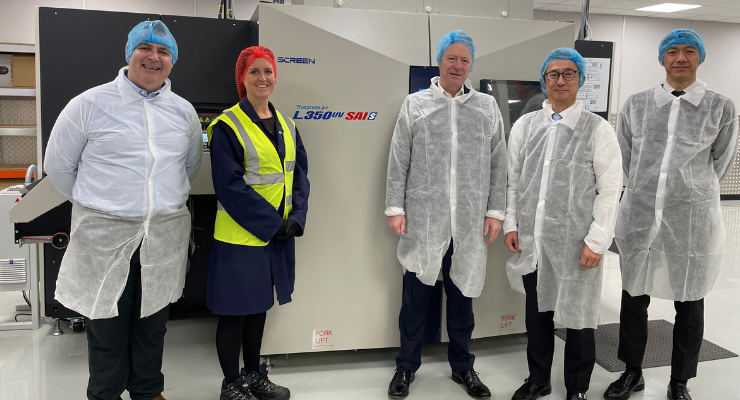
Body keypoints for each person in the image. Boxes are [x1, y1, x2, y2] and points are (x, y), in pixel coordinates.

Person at [44, 20, 202, 400]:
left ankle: (147, 391)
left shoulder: (183, 113)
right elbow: (59, 168)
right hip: (105, 240)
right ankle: (105, 394)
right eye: (145, 48)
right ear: (130, 53)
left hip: (163, 238)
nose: (153, 57)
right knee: (106, 326)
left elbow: (190, 167)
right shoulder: (88, 105)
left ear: (172, 60)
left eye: (163, 51)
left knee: (153, 323)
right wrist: (106, 206)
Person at [604, 29, 738, 400]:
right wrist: (648, 191)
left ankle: (680, 380)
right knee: (634, 297)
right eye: (673, 51)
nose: (680, 57)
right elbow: (627, 156)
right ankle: (632, 372)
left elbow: (721, 163)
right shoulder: (637, 104)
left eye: (689, 51)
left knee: (690, 301)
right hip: (641, 215)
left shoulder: (721, 107)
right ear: (662, 58)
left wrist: (689, 192)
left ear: (700, 57)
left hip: (691, 219)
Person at [385, 29, 507, 399]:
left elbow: (498, 162)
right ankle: (406, 366)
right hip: (424, 218)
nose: (458, 65)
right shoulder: (416, 104)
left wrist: (495, 211)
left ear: (471, 65)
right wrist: (395, 207)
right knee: (415, 299)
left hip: (469, 221)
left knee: (462, 298)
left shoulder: (486, 107)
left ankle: (463, 366)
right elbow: (399, 159)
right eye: (451, 58)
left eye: (464, 60)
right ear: (439, 61)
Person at [504, 48, 622, 400]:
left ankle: (577, 388)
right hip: (534, 240)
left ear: (580, 80)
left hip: (577, 242)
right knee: (537, 316)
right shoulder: (526, 126)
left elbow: (610, 189)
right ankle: (538, 379)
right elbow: (513, 180)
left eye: (569, 73)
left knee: (579, 319)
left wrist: (597, 241)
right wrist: (511, 224)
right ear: (544, 80)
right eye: (553, 74)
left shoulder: (598, 129)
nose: (560, 80)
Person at [206, 45, 309, 400]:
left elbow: (299, 176)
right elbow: (229, 186)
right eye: (254, 71)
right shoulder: (227, 125)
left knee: (259, 309)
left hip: (277, 236)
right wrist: (272, 224)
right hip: (240, 239)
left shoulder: (288, 125)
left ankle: (253, 375)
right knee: (234, 313)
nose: (262, 78)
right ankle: (230, 384)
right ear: (242, 78)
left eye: (268, 71)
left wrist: (296, 218)